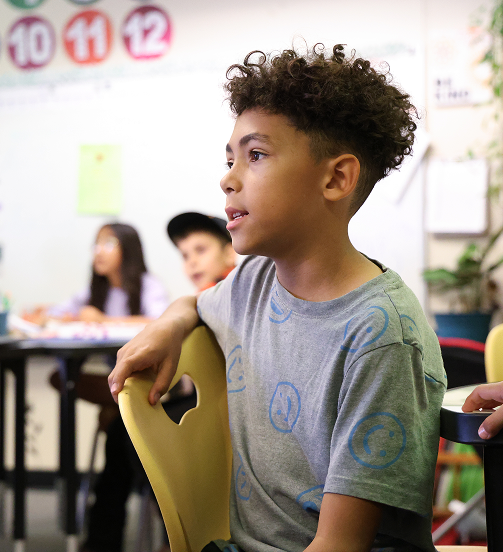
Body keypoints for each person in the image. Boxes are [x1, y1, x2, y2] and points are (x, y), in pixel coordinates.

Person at [108, 44, 446, 552]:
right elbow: (194, 304)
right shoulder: (253, 283)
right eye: (229, 159)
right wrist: (169, 323)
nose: (227, 177)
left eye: (256, 155)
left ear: (335, 178)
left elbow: (339, 546)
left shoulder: (381, 335)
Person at [82, 213, 237, 552]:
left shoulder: (233, 295)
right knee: (122, 432)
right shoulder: (200, 301)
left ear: (229, 253)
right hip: (200, 404)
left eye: (200, 250)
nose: (192, 261)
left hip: (224, 415)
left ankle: (171, 530)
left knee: (128, 430)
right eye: (185, 254)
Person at [24, 222, 169, 325]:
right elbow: (66, 309)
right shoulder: (99, 287)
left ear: (129, 248)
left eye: (109, 243)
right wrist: (45, 313)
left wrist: (104, 320)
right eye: (97, 243)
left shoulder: (150, 284)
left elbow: (159, 321)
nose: (98, 251)